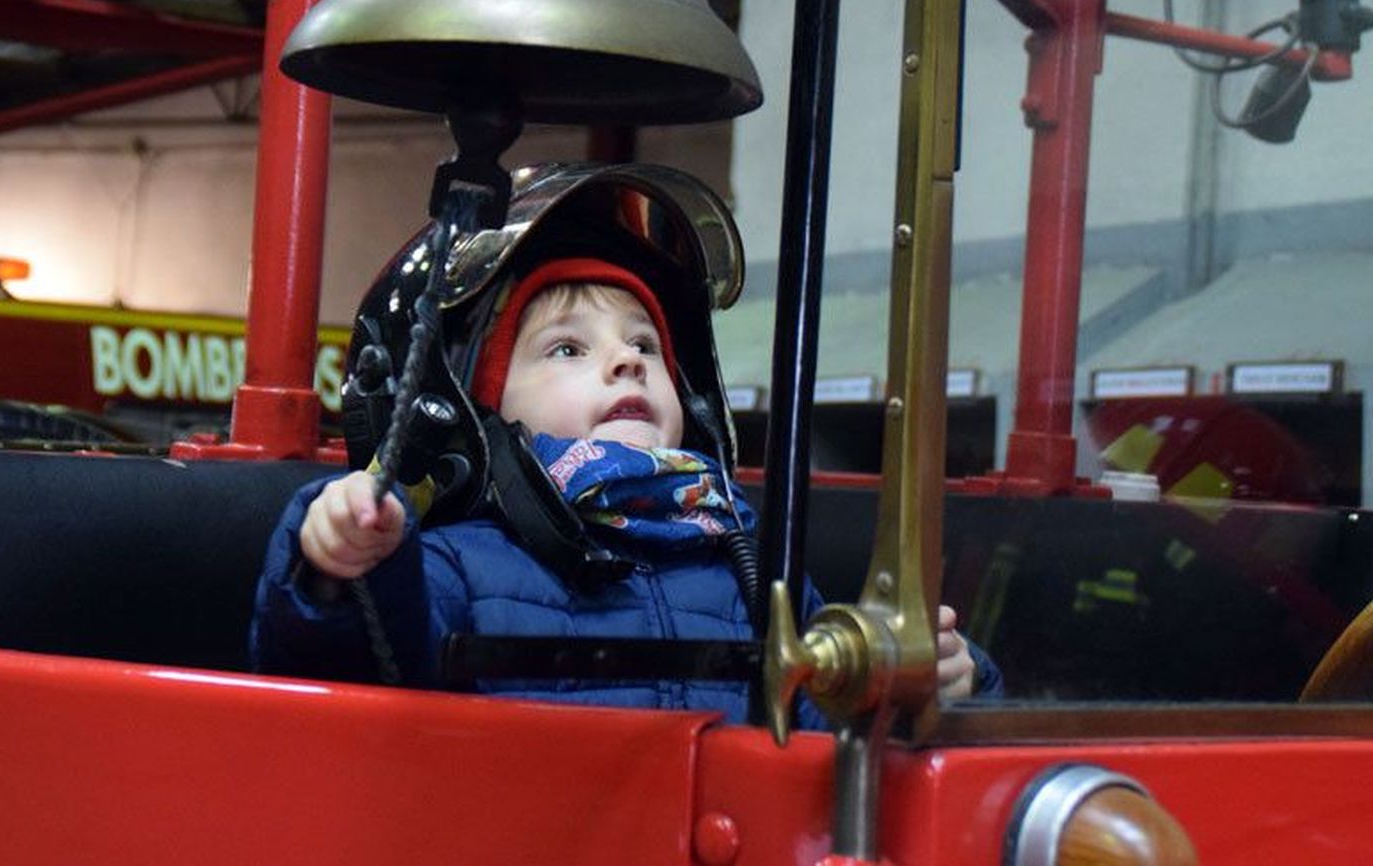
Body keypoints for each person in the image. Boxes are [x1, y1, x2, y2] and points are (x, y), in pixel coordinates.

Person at [251, 163, 1000, 726]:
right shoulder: (450, 568)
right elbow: (338, 671)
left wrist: (924, 685)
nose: (627, 360)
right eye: (567, 349)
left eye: (644, 344)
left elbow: (830, 727)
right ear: (478, 418)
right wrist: (338, 562)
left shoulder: (753, 574)